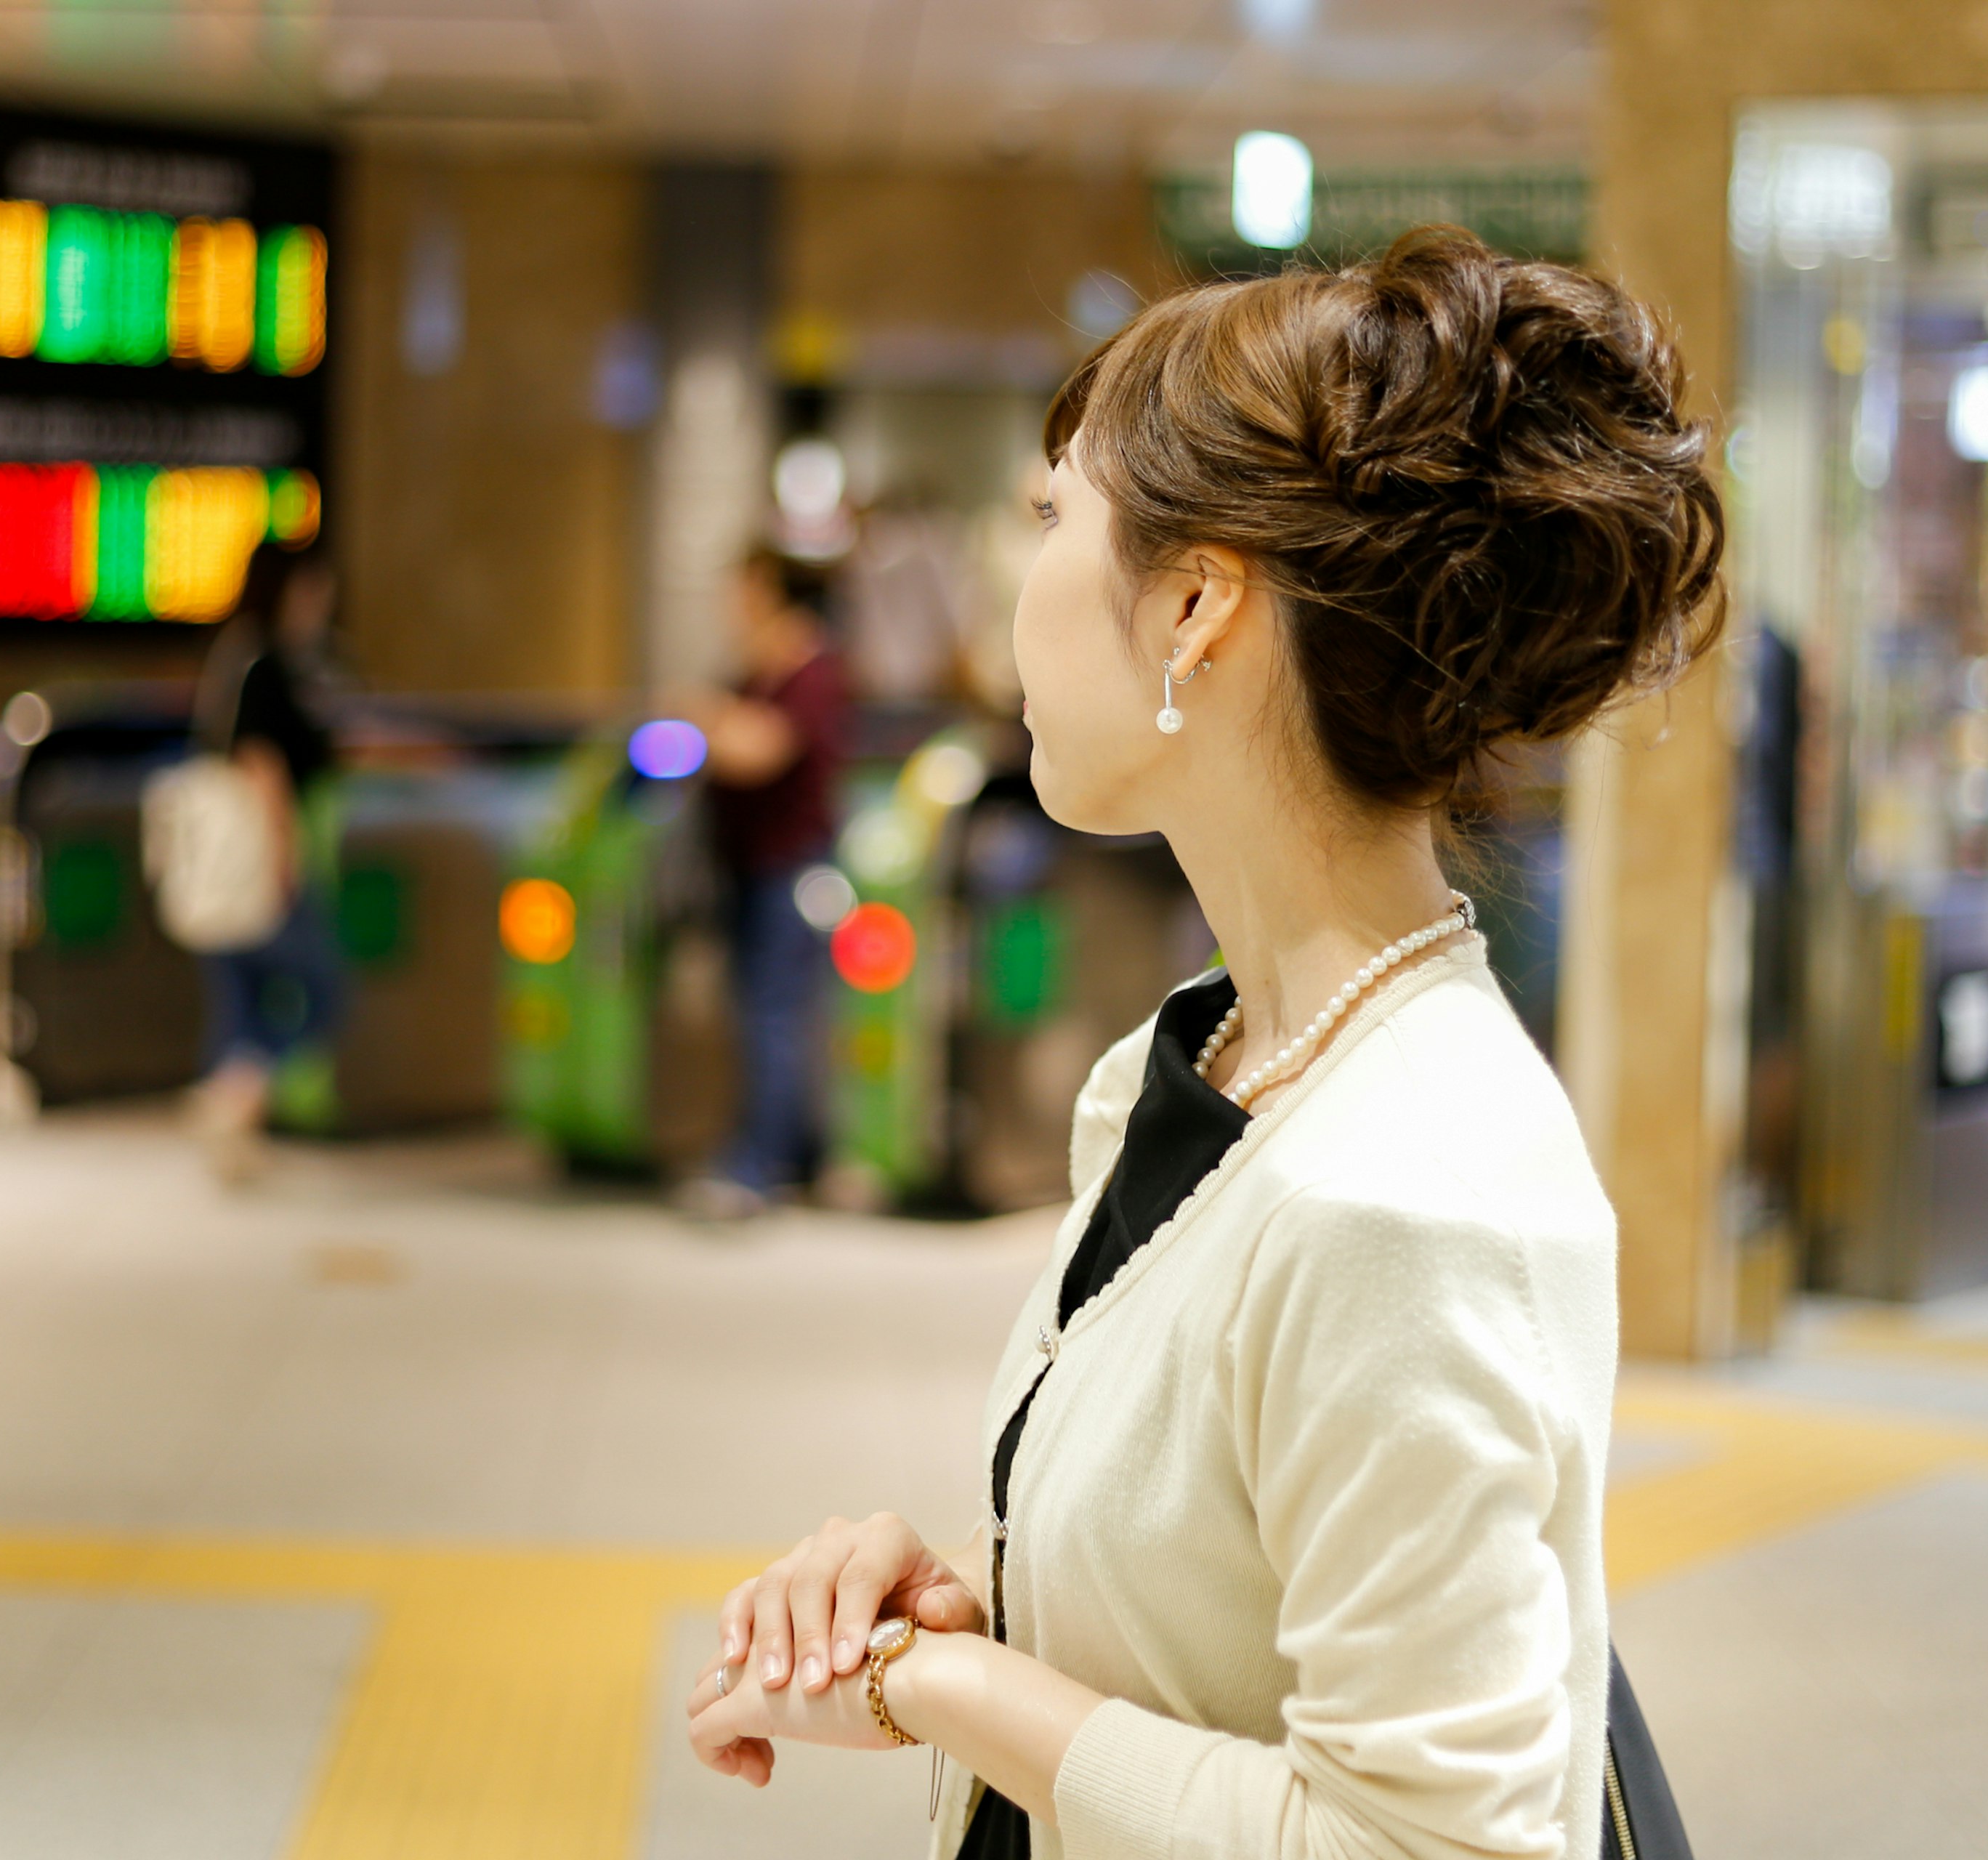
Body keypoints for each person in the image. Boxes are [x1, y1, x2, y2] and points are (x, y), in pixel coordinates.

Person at [684, 226, 1721, 1860]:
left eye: (1050, 519)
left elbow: (1428, 1842)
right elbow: (1232, 1593)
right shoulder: (1216, 1066)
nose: (1013, 587)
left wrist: (944, 1686)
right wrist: (981, 1588)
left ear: (1190, 605)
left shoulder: (1400, 1190)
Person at [669, 548, 854, 1221]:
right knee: (763, 1014)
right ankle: (795, 1153)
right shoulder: (754, 668)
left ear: (768, 589)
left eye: (738, 587)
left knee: (776, 1017)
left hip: (792, 870)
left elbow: (761, 751)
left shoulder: (811, 668)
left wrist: (705, 718)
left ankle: (762, 1165)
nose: (729, 602)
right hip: (747, 866)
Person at [187, 560, 347, 1184]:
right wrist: (283, 857)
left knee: (239, 1000)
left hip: (222, 869)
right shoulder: (267, 667)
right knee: (324, 992)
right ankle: (236, 1096)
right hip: (255, 862)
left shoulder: (232, 659)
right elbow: (264, 767)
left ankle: (234, 1116)